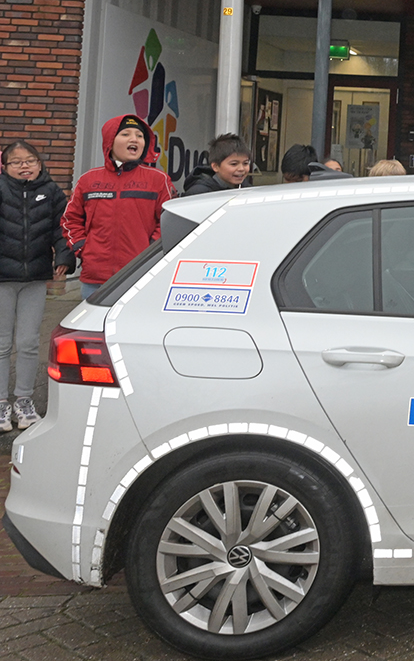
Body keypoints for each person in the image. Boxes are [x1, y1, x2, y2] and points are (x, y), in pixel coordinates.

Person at [0, 141, 73, 430]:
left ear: (40, 164)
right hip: (2, 279)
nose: (25, 166)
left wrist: (65, 256)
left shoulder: (52, 192)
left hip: (35, 278)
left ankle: (24, 400)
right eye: (16, 162)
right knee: (2, 343)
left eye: (30, 160)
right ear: (5, 167)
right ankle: (1, 404)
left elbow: (63, 228)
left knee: (29, 343)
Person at [62, 114, 174, 299]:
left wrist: (149, 251)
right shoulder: (88, 180)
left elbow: (168, 220)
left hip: (140, 275)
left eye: (139, 135)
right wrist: (83, 248)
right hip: (95, 277)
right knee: (94, 328)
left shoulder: (158, 180)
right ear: (109, 141)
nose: (134, 139)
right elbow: (70, 219)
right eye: (126, 134)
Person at [183, 134, 253, 195]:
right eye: (234, 164)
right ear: (215, 166)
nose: (241, 168)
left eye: (245, 163)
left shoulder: (248, 190)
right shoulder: (199, 193)